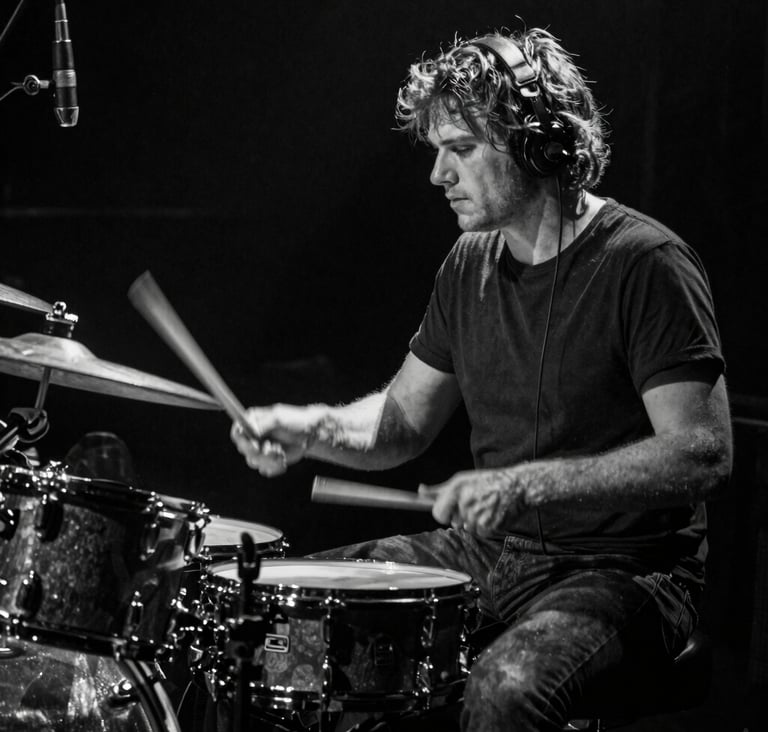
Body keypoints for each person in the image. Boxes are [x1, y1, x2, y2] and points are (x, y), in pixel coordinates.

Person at [230, 26, 732, 732]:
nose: (439, 175)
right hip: (496, 552)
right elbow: (402, 423)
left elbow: (702, 451)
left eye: (461, 149)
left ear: (538, 142)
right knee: (291, 627)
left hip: (629, 570)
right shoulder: (468, 264)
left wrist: (523, 484)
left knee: (504, 689)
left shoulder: (646, 264)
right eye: (437, 152)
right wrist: (307, 428)